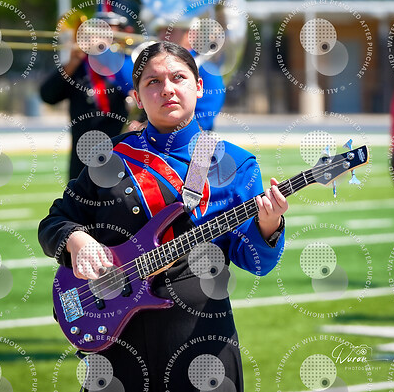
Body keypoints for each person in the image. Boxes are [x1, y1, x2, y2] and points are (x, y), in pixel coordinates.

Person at [39, 41, 287, 391]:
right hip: (115, 338)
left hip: (201, 340)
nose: (167, 89)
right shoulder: (110, 157)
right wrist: (76, 241)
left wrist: (269, 225)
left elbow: (256, 262)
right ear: (137, 98)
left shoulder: (235, 163)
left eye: (178, 78)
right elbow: (54, 222)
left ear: (198, 87)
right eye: (153, 82)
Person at [40, 9, 133, 180]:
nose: (102, 36)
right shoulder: (79, 67)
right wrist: (73, 61)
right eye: (99, 29)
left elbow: (137, 91)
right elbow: (48, 96)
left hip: (120, 150)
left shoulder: (127, 64)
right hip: (82, 155)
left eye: (109, 29)